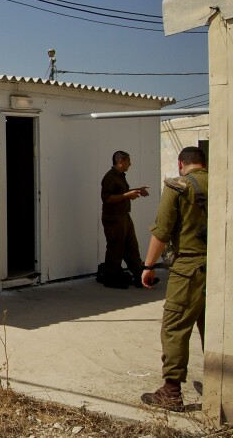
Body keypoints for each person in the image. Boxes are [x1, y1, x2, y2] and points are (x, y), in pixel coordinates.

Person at [140, 146, 208, 411]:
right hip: (219, 267)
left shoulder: (178, 186)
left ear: (181, 164)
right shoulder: (223, 181)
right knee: (216, 331)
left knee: (175, 327)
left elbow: (162, 231)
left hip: (188, 269)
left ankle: (170, 392)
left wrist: (148, 266)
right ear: (203, 163)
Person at [99, 150, 150, 289]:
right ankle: (111, 279)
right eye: (128, 161)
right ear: (120, 161)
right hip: (114, 218)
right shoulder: (110, 177)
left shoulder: (120, 176)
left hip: (124, 216)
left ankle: (140, 276)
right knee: (115, 248)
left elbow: (121, 193)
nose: (130, 164)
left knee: (132, 247)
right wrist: (127, 195)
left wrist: (137, 190)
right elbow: (107, 198)